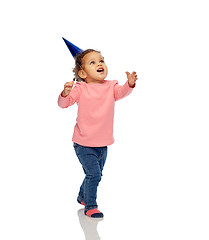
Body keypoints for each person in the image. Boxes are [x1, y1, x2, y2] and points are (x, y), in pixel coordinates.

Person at [58, 49, 137, 218]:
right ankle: (91, 206)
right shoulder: (80, 88)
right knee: (93, 174)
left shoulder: (111, 86)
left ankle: (82, 196)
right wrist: (65, 93)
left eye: (101, 60)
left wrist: (129, 84)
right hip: (83, 143)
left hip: (102, 143)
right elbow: (64, 104)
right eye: (92, 62)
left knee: (95, 174)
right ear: (82, 73)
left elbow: (121, 92)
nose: (100, 64)